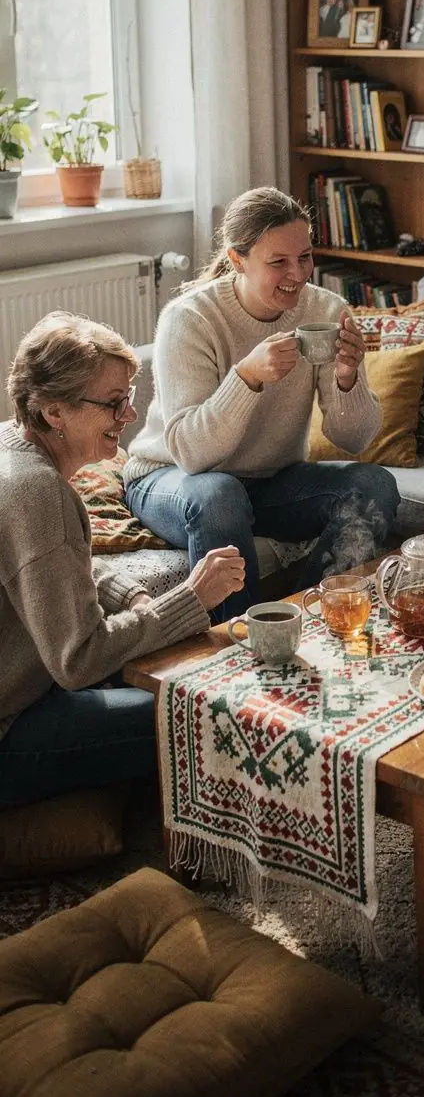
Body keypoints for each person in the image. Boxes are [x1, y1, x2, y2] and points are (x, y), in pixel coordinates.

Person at [0, 313, 244, 807]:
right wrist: (190, 599)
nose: (130, 416)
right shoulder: (38, 491)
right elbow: (79, 660)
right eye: (114, 403)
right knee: (205, 717)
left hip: (26, 694)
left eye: (128, 397)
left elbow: (56, 563)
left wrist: (128, 593)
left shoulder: (12, 443)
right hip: (11, 730)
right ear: (54, 412)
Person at [124, 187, 400, 621]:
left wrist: (348, 380)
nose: (298, 273)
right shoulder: (190, 319)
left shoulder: (327, 311)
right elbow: (192, 455)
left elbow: (353, 439)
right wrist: (247, 378)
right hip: (172, 478)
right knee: (221, 494)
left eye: (305, 257)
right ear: (238, 259)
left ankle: (307, 617)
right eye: (279, 262)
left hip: (270, 482)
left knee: (374, 485)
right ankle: (242, 639)